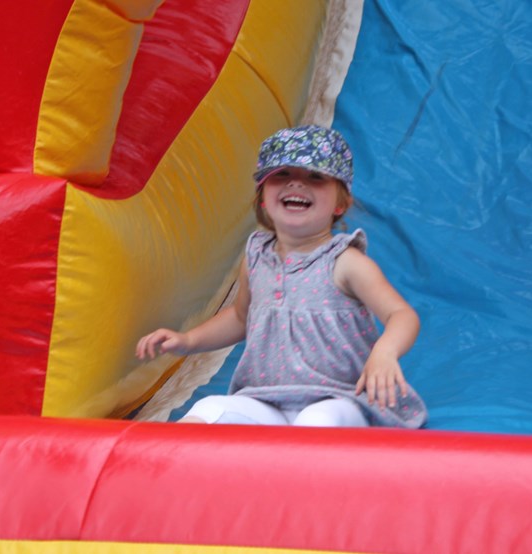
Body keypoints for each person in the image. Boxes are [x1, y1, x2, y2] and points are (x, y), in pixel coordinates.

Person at [136, 125, 427, 428]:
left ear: (340, 203)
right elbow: (239, 317)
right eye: (282, 175)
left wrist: (385, 352)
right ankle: (166, 469)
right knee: (211, 408)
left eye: (315, 177)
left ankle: (300, 471)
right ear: (263, 196)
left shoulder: (344, 262)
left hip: (338, 399)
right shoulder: (257, 258)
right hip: (266, 401)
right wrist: (188, 340)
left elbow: (401, 314)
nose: (296, 184)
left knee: (318, 420)